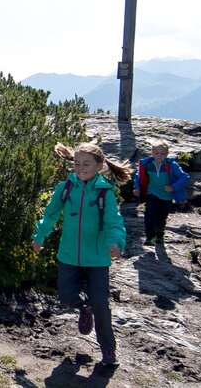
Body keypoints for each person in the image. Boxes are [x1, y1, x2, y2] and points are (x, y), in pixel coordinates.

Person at [31, 142, 130, 367]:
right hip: (68, 255)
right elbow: (50, 214)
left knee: (101, 305)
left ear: (100, 165)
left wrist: (116, 243)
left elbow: (114, 222)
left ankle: (108, 352)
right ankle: (84, 308)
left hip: (97, 259)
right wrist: (39, 237)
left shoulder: (106, 193)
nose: (80, 168)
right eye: (77, 164)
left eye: (86, 164)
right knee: (66, 295)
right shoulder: (65, 188)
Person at [132, 139, 190, 246]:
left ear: (167, 154)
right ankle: (150, 238)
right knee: (149, 214)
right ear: (152, 153)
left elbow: (184, 177)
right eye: (156, 153)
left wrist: (173, 187)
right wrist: (137, 187)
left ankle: (159, 235)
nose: (159, 156)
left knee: (161, 217)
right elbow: (138, 176)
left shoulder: (172, 165)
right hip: (151, 193)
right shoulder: (147, 164)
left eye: (163, 153)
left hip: (166, 197)